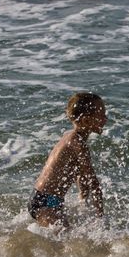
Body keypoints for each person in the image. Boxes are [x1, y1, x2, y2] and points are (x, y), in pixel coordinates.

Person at [28, 92, 108, 228]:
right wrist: (101, 217)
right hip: (47, 202)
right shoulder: (78, 144)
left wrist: (83, 200)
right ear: (86, 121)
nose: (105, 119)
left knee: (64, 239)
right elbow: (93, 182)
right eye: (101, 115)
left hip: (45, 199)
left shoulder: (70, 137)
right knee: (63, 242)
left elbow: (80, 175)